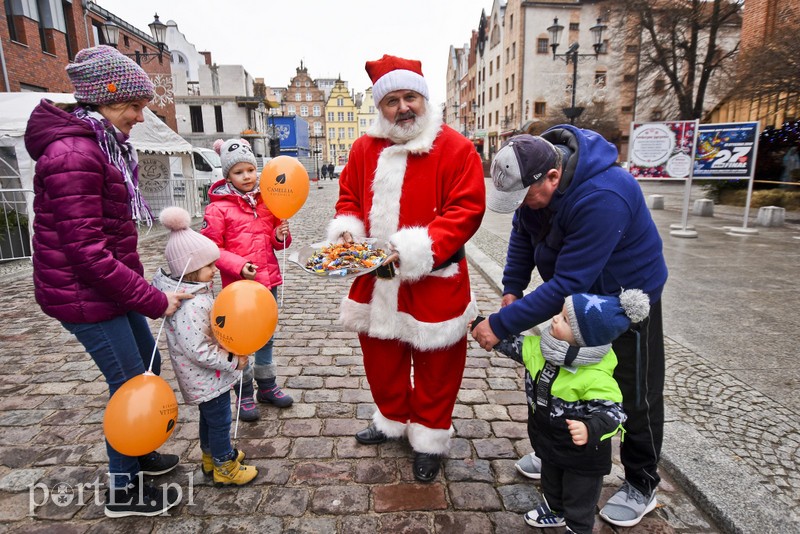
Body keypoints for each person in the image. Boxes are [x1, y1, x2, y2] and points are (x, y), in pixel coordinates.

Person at [24, 45, 191, 517]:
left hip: (108, 291)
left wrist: (140, 294)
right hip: (84, 297)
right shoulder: (74, 151)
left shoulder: (101, 144)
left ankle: (139, 451)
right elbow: (87, 254)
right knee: (130, 387)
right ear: (104, 98)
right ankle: (124, 491)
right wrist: (154, 299)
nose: (140, 116)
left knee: (148, 365)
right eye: (133, 106)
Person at [471, 128, 668, 527]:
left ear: (553, 178)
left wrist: (500, 324)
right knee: (560, 376)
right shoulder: (535, 180)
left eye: (526, 197)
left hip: (624, 302)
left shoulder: (604, 196)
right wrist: (512, 288)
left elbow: (568, 282)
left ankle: (641, 483)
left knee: (634, 394)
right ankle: (558, 454)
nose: (523, 205)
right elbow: (523, 236)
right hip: (577, 304)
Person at [326, 54, 486, 482]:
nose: (402, 108)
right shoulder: (363, 148)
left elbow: (466, 210)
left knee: (438, 366)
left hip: (433, 276)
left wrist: (413, 249)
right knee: (381, 359)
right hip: (375, 280)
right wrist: (346, 230)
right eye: (392, 100)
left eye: (410, 97)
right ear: (380, 106)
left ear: (424, 97)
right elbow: (347, 198)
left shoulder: (456, 147)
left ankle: (430, 437)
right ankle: (392, 419)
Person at [474, 289, 649, 533]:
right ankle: (555, 510)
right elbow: (514, 345)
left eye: (565, 320)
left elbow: (613, 413)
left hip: (582, 456)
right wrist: (483, 326)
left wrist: (590, 428)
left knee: (579, 499)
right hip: (549, 439)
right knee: (551, 481)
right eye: (560, 313)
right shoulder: (543, 348)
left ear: (584, 338)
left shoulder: (596, 375)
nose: (555, 318)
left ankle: (578, 528)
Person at [153, 207, 258, 486]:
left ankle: (210, 457)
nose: (215, 269)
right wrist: (234, 360)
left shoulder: (191, 292)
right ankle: (225, 466)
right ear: (189, 269)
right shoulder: (194, 304)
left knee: (209, 419)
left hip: (205, 378)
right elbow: (198, 350)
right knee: (220, 420)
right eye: (209, 266)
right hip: (207, 378)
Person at [201, 137, 293, 422]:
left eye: (250, 171)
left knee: (266, 336)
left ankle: (267, 385)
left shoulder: (269, 201)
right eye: (238, 172)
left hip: (269, 282)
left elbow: (280, 242)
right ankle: (243, 392)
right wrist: (240, 266)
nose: (246, 177)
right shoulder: (217, 209)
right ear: (227, 175)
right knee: (239, 341)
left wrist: (281, 236)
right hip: (239, 288)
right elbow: (211, 248)